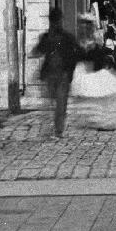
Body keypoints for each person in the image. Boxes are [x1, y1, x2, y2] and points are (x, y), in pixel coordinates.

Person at [32, 8, 82, 137]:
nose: (56, 23)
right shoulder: (55, 37)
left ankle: (57, 129)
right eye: (55, 21)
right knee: (57, 102)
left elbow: (36, 52)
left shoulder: (60, 37)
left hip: (59, 74)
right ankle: (56, 128)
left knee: (58, 102)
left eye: (57, 21)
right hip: (54, 74)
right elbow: (37, 51)